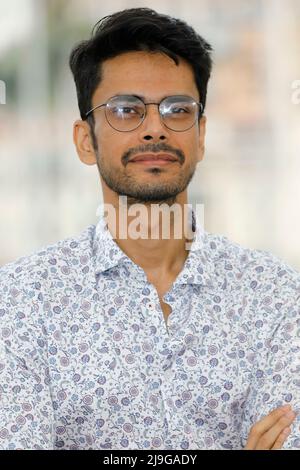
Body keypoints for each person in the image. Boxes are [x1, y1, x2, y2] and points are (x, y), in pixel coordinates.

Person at [0, 7, 299, 451]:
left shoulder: (276, 296)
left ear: (200, 135)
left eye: (178, 109)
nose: (154, 129)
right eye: (126, 110)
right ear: (86, 140)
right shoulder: (20, 303)